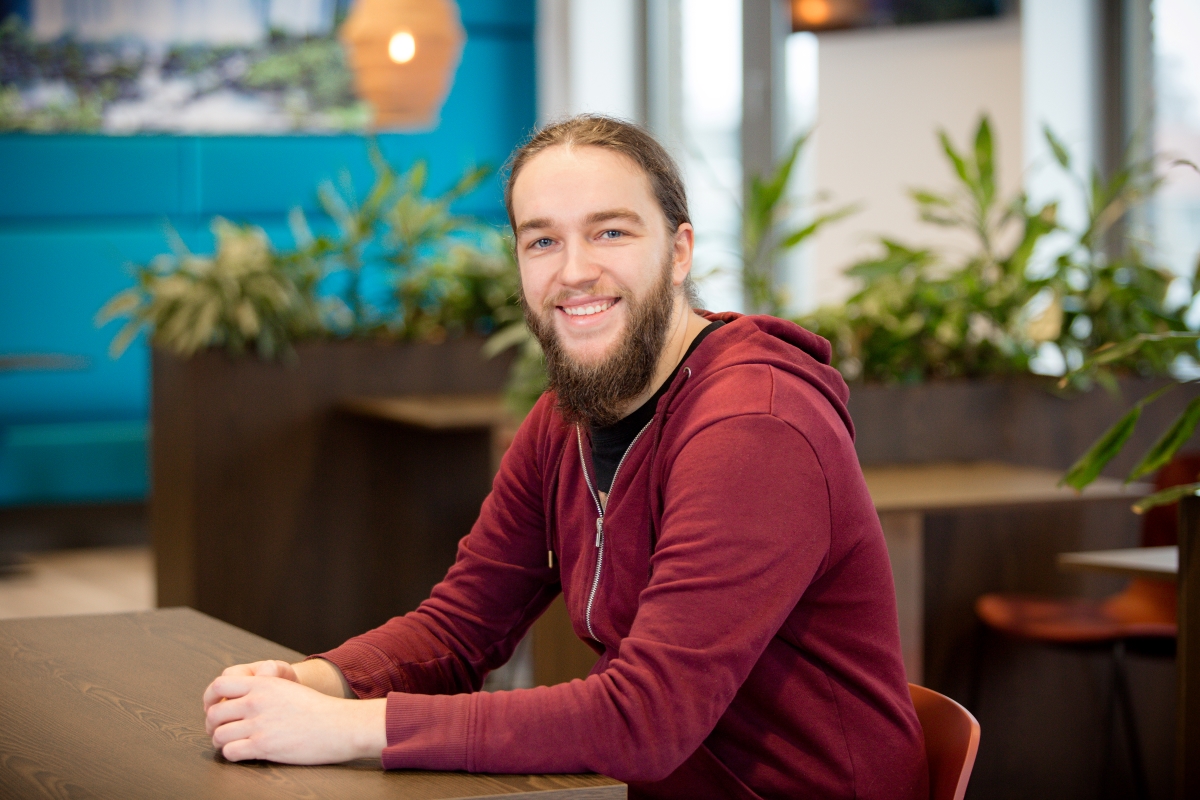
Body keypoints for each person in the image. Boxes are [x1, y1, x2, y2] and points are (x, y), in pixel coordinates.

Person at [203, 115, 928, 800]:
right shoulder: (567, 417)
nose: (574, 270)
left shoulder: (756, 428)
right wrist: (315, 683)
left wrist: (354, 729)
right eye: (542, 241)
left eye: (609, 232)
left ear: (678, 253)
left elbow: (645, 719)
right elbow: (460, 628)